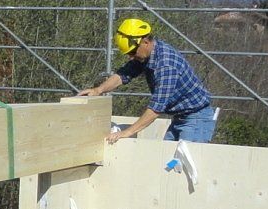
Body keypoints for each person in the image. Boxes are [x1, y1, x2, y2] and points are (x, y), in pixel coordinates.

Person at [67, 18, 218, 144]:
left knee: (183, 167)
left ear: (145, 42)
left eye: (133, 52)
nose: (131, 57)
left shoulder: (166, 65)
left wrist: (127, 133)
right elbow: (124, 74)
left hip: (196, 119)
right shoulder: (148, 54)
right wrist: (98, 90)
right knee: (167, 164)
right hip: (181, 117)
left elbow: (155, 109)